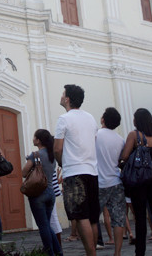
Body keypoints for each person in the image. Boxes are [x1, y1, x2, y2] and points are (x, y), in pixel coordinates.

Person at [53, 84, 99, 256]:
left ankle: (90, 253)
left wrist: (63, 163)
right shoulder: (91, 118)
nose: (61, 96)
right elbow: (94, 141)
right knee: (93, 216)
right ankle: (93, 251)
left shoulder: (64, 119)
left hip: (74, 172)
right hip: (92, 171)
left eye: (63, 93)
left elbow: (57, 149)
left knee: (80, 216)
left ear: (67, 99)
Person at [120, 108, 152, 256]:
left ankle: (140, 252)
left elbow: (125, 155)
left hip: (139, 177)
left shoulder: (134, 135)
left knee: (140, 216)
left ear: (137, 121)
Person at [22, 129, 62, 256]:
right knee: (48, 225)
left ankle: (50, 252)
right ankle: (58, 252)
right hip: (51, 192)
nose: (33, 139)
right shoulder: (52, 156)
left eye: (34, 137)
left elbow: (24, 172)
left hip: (38, 194)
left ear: (38, 140)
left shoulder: (35, 155)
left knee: (43, 226)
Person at [95, 107, 126, 256]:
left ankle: (93, 248)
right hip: (115, 181)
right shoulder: (120, 139)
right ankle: (117, 252)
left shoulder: (96, 135)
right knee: (118, 219)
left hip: (99, 182)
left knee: (93, 219)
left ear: (103, 120)